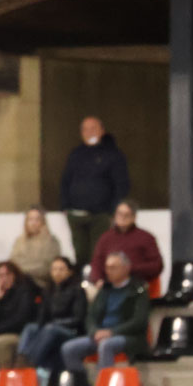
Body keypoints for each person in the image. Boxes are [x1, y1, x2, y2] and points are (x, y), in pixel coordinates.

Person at [60, 252, 151, 376]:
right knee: (69, 348)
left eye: (113, 268)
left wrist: (111, 332)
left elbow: (139, 321)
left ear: (126, 268)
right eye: (107, 267)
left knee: (106, 345)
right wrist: (94, 331)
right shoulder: (105, 289)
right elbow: (91, 316)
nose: (108, 271)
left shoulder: (138, 290)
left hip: (128, 336)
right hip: (100, 334)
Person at [60, 116, 130, 273]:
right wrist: (65, 206)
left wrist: (113, 210)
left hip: (101, 215)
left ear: (102, 131)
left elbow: (121, 184)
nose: (89, 132)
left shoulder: (113, 155)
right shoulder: (76, 154)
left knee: (99, 255)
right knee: (80, 256)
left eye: (93, 128)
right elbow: (65, 180)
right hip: (76, 214)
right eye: (85, 129)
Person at [17, 257, 88, 371]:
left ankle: (30, 363)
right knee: (31, 328)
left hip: (71, 330)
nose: (57, 273)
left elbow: (78, 318)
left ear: (70, 272)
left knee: (50, 329)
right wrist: (41, 325)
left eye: (61, 269)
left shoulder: (77, 290)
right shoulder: (48, 290)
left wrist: (55, 324)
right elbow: (42, 315)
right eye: (54, 269)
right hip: (50, 327)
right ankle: (21, 357)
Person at [89, 199, 163, 287]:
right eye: (119, 214)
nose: (122, 217)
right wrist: (98, 279)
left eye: (126, 215)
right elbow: (97, 262)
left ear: (134, 217)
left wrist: (128, 269)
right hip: (109, 285)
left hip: (137, 284)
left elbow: (157, 265)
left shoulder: (146, 238)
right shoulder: (106, 238)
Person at [9, 206, 62, 289]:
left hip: (40, 284)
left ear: (43, 222)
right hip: (19, 282)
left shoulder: (51, 241)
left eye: (37, 219)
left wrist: (23, 270)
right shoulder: (19, 241)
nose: (33, 223)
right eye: (30, 219)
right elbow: (13, 262)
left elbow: (47, 267)